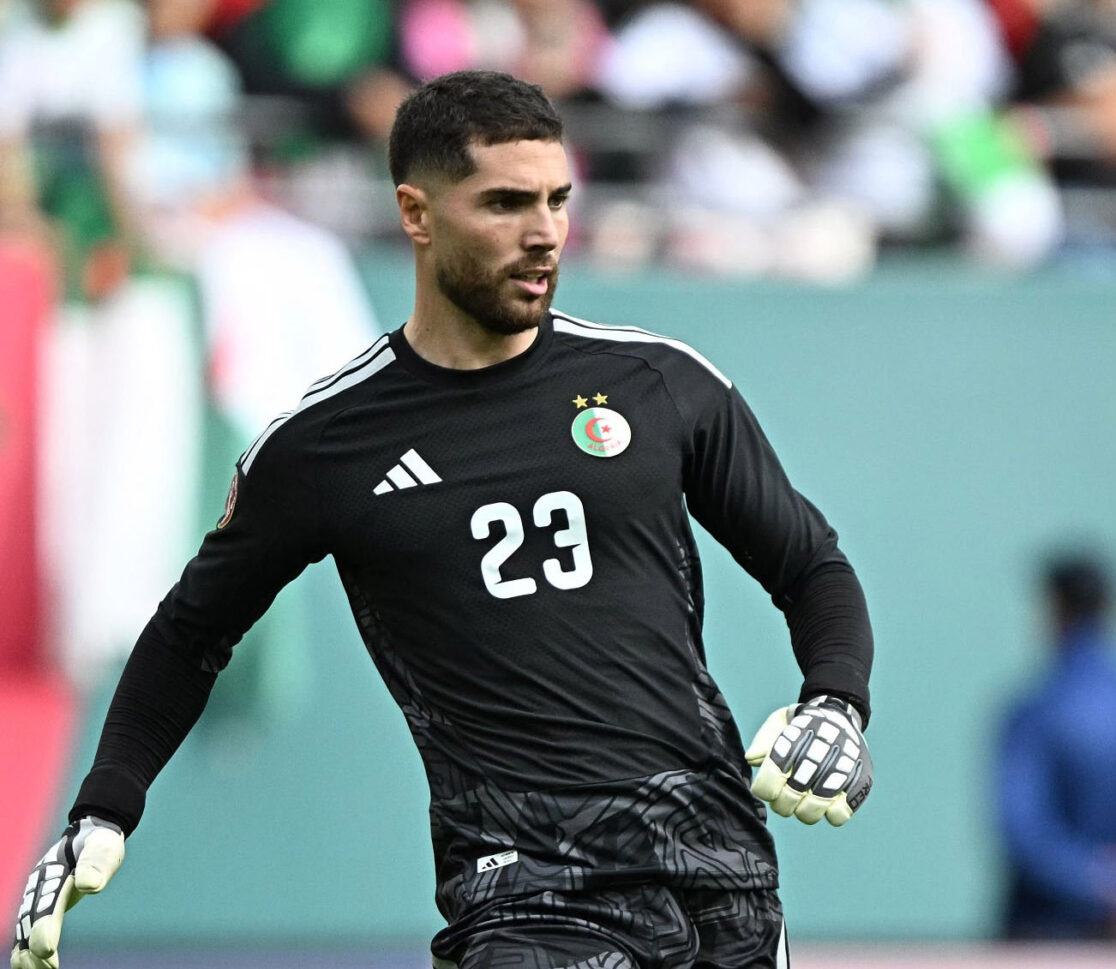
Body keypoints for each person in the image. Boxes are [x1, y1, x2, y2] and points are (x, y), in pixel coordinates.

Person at [10, 70, 875, 969]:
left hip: (721, 872)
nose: (543, 232)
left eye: (557, 200)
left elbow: (810, 564)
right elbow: (190, 634)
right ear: (416, 214)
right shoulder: (324, 445)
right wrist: (102, 810)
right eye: (505, 203)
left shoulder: (660, 383)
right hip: (527, 894)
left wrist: (837, 700)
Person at [997, 552, 1116, 941]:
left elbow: (1025, 834)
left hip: (1049, 934)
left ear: (1054, 610)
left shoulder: (1037, 713)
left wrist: (1106, 883)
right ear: (1112, 609)